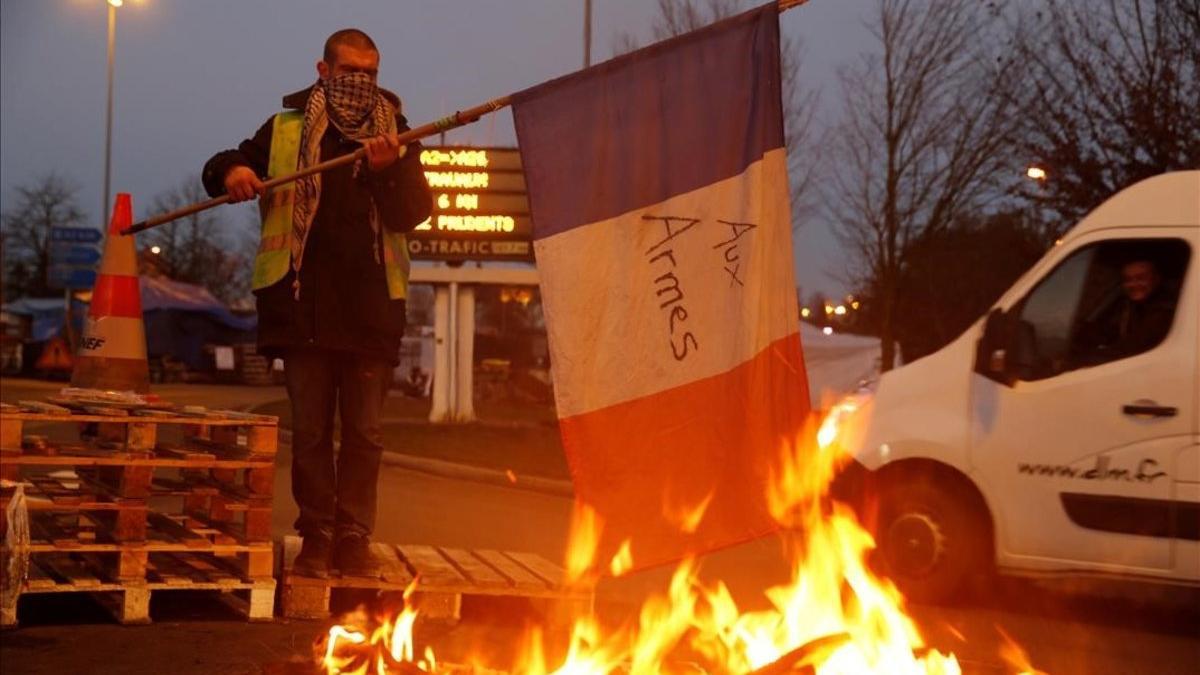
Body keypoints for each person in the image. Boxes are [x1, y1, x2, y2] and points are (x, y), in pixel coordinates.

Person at [202, 29, 432, 578]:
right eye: (350, 70)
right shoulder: (284, 128)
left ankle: (354, 536)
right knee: (309, 434)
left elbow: (414, 212)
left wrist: (386, 172)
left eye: (371, 73)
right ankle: (318, 536)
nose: (362, 83)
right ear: (323, 70)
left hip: (372, 313)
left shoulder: (397, 134)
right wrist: (232, 174)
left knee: (364, 435)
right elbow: (227, 162)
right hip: (302, 311)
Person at [1076, 257, 1177, 366]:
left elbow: (1132, 348)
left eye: (1141, 278)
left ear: (1156, 279)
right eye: (1128, 280)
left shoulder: (1165, 310)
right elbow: (1109, 329)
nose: (1133, 284)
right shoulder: (1129, 305)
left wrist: (1084, 360)